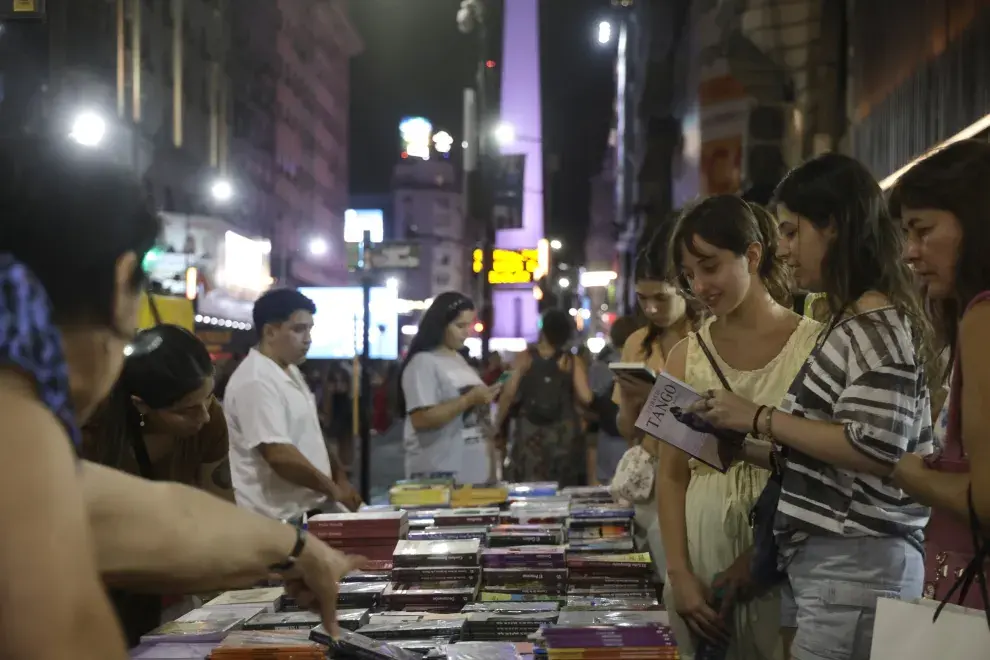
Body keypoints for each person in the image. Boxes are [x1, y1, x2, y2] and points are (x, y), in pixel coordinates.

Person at [0, 135, 362, 659]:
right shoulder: (18, 427)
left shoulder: (34, 464)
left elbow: (147, 517)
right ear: (124, 279)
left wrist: (298, 550)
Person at [686, 153, 933, 660]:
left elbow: (876, 447)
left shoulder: (874, 324)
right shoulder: (852, 322)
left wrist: (756, 417)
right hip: (833, 568)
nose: (786, 250)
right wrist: (746, 449)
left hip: (856, 565)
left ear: (835, 227)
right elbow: (837, 455)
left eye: (794, 233)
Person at [657, 195, 820, 660]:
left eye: (709, 266)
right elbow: (671, 475)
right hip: (703, 565)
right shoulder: (682, 356)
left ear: (752, 254)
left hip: (784, 559)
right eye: (688, 275)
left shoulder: (814, 345)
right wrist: (680, 576)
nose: (699, 285)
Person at [82, 323, 231, 645]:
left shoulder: (208, 419)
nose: (204, 415)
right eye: (186, 410)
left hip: (166, 581)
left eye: (209, 398)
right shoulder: (92, 433)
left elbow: (220, 506)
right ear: (140, 405)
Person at [888, 139, 990, 608]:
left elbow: (984, 499)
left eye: (922, 229)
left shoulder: (982, 319)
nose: (911, 252)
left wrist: (907, 471)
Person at [224, 289, 361, 520]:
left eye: (310, 329)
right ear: (270, 331)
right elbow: (278, 454)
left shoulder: (290, 370)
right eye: (298, 329)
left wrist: (341, 478)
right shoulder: (256, 380)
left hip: (303, 513)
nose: (308, 338)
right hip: (274, 520)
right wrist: (334, 490)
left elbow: (312, 433)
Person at [612, 222, 696, 578]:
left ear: (684, 288)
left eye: (660, 297)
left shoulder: (705, 339)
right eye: (642, 298)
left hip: (696, 476)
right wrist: (633, 399)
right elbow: (627, 429)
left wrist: (658, 396)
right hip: (651, 480)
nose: (650, 308)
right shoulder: (637, 342)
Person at [399, 291, 501, 484]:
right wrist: (469, 399)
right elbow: (421, 418)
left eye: (468, 325)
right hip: (440, 475)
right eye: (460, 326)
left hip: (474, 474)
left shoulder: (457, 358)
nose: (467, 332)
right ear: (441, 325)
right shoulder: (423, 362)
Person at [496, 309, 594, 487]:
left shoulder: (524, 357)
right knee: (563, 489)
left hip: (530, 437)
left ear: (543, 331)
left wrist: (496, 425)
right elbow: (586, 397)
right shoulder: (571, 361)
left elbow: (508, 392)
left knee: (529, 488)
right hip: (563, 436)